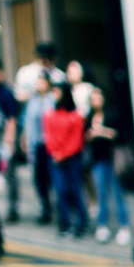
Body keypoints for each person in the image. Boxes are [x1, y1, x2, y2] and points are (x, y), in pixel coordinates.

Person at [85, 88, 130, 244]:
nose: (95, 101)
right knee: (101, 195)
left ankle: (124, 227)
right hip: (97, 160)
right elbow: (86, 136)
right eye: (93, 99)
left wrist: (101, 132)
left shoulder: (112, 114)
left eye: (98, 97)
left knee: (118, 195)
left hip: (113, 159)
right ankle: (102, 226)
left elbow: (120, 134)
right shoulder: (90, 116)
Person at [43, 83, 87, 237]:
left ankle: (82, 223)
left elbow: (76, 139)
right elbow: (48, 136)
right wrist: (55, 152)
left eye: (57, 91)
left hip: (72, 158)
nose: (54, 94)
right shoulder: (49, 114)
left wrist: (63, 153)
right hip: (55, 158)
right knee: (59, 190)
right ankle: (64, 223)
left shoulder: (75, 115)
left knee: (75, 190)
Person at [22, 71, 56, 223]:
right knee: (39, 179)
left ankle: (60, 207)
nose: (39, 85)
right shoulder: (33, 101)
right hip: (37, 145)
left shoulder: (53, 99)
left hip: (51, 145)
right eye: (38, 82)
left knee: (53, 178)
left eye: (42, 82)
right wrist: (25, 139)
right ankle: (45, 208)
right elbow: (27, 122)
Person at [0, 61, 19, 224]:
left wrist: (9, 142)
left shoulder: (5, 93)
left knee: (9, 176)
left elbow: (11, 119)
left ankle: (12, 208)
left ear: (1, 74)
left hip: (3, 142)